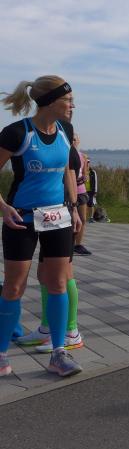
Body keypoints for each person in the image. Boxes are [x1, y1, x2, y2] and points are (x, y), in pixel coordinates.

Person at [0, 75, 83, 377]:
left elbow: (67, 170)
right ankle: (1, 354)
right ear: (50, 102)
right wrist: (3, 207)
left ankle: (58, 353)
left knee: (58, 283)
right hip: (21, 219)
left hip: (57, 217)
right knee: (14, 286)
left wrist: (73, 208)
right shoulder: (16, 133)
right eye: (68, 100)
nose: (72, 105)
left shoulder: (65, 131)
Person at [71, 133, 91, 255]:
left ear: (78, 141)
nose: (73, 141)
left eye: (75, 139)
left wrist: (85, 177)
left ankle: (78, 245)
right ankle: (68, 244)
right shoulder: (65, 155)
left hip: (81, 190)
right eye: (71, 139)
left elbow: (85, 173)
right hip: (69, 192)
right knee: (69, 220)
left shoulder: (83, 156)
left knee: (82, 219)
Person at [86, 158, 97, 222]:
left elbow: (95, 182)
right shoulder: (81, 171)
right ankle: (84, 217)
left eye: (88, 162)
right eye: (86, 162)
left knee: (91, 204)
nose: (87, 164)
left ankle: (91, 217)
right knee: (84, 204)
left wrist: (95, 191)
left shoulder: (93, 172)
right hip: (83, 191)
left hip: (91, 191)